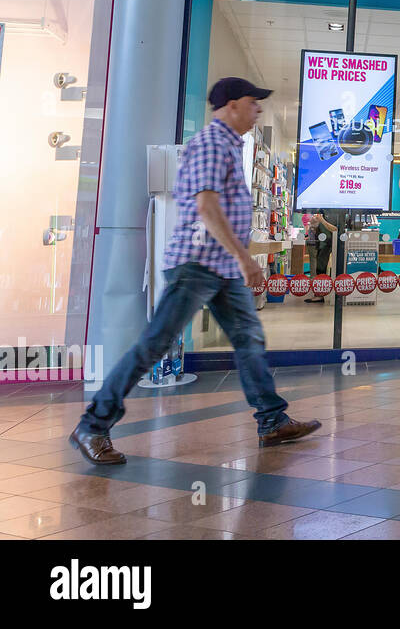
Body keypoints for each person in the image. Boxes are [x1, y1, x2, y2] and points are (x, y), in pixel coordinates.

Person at [69, 77, 321, 466]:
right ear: (233, 104)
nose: (258, 111)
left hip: (218, 267)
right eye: (254, 103)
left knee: (249, 339)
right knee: (153, 345)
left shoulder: (228, 146)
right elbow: (206, 208)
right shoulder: (211, 143)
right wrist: (244, 257)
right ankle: (93, 424)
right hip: (197, 264)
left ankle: (272, 420)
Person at [304, 211, 337, 303]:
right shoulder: (322, 214)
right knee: (318, 270)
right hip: (319, 245)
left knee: (321, 270)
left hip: (326, 246)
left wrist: (321, 220)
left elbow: (335, 229)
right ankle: (319, 294)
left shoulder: (333, 214)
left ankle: (320, 295)